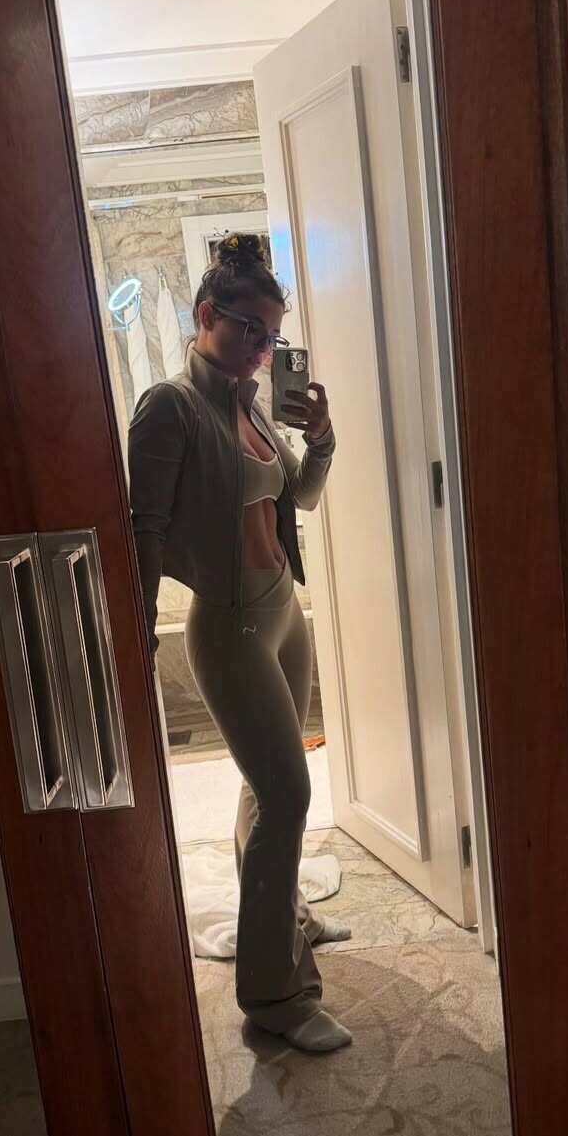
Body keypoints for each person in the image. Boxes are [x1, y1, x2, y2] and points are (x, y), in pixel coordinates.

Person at [127, 233, 353, 1054]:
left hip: (282, 612)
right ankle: (274, 996)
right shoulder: (170, 407)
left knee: (272, 784)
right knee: (287, 794)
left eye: (273, 334)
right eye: (249, 329)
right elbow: (143, 528)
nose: (262, 347)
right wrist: (134, 632)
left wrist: (321, 439)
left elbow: (302, 497)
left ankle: (280, 917)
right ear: (205, 315)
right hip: (228, 627)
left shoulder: (253, 403)